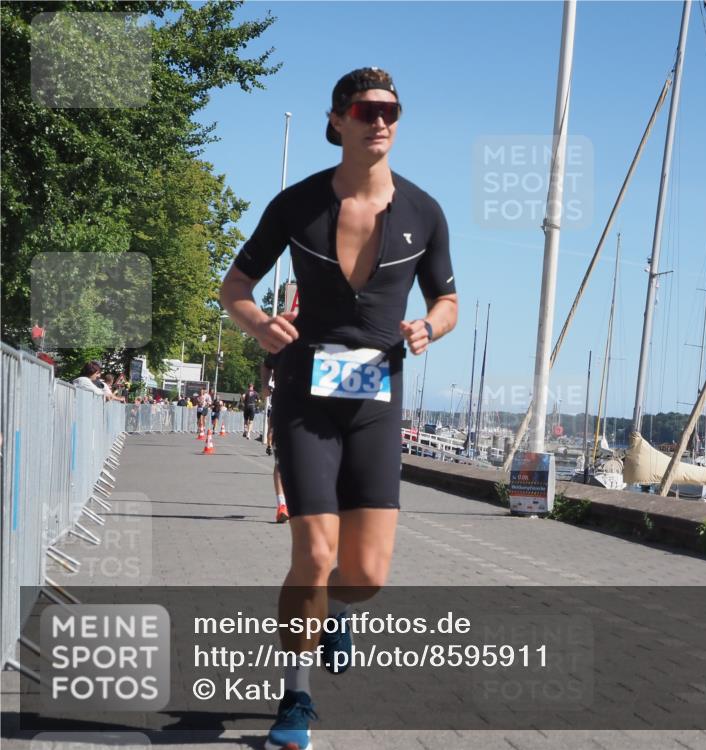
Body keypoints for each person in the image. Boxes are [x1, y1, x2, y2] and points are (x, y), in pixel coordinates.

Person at [220, 67, 457, 750]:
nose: (379, 119)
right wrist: (257, 325)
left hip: (378, 402)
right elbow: (235, 284)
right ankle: (295, 699)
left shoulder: (424, 211)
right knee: (315, 554)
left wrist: (428, 328)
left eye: (391, 109)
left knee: (367, 575)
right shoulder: (296, 204)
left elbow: (447, 300)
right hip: (305, 399)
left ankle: (333, 615)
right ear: (339, 119)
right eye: (365, 108)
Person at [261, 354, 289, 523]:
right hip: (283, 409)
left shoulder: (318, 342)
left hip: (311, 413)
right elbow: (265, 364)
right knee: (281, 461)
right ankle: (282, 506)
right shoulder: (281, 345)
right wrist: (265, 385)